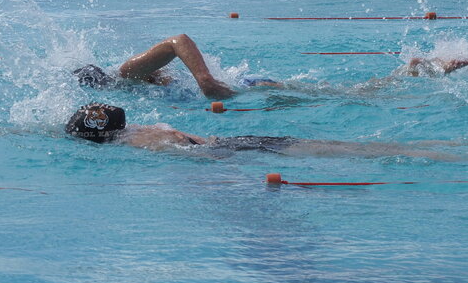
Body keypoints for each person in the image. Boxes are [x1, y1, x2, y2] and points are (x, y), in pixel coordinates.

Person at [65, 103, 459, 161]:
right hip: (239, 147)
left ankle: (435, 149)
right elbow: (181, 149)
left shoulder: (126, 133)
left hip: (237, 145)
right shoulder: (136, 137)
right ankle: (440, 151)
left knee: (345, 148)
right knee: (344, 150)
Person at [73, 34, 239, 99]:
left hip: (225, 85)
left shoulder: (126, 73)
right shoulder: (130, 90)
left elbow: (179, 41)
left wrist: (205, 80)